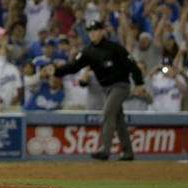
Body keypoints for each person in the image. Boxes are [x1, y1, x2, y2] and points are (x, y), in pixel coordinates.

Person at [54, 20, 147, 160]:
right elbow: (73, 66)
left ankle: (105, 149)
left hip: (120, 85)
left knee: (108, 112)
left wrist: (139, 82)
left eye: (95, 30)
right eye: (90, 31)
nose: (92, 33)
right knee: (118, 119)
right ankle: (128, 152)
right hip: (106, 88)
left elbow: (131, 63)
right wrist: (56, 71)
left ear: (102, 31)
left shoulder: (114, 48)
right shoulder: (88, 51)